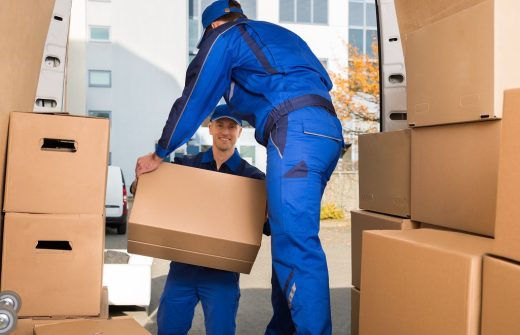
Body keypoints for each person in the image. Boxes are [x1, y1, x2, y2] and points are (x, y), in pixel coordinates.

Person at [135, 1, 343, 334]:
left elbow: (195, 96)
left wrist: (161, 152)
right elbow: (316, 83)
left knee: (297, 247)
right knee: (288, 241)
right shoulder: (277, 36)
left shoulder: (226, 37)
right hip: (326, 132)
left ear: (212, 28)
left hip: (294, 132)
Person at [134, 105, 265, 335]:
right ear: (210, 127)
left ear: (240, 132)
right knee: (168, 330)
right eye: (221, 125)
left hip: (222, 275)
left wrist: (269, 210)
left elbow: (266, 225)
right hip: (182, 270)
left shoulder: (252, 178)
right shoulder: (187, 166)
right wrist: (141, 181)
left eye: (232, 126)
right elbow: (153, 194)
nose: (226, 131)